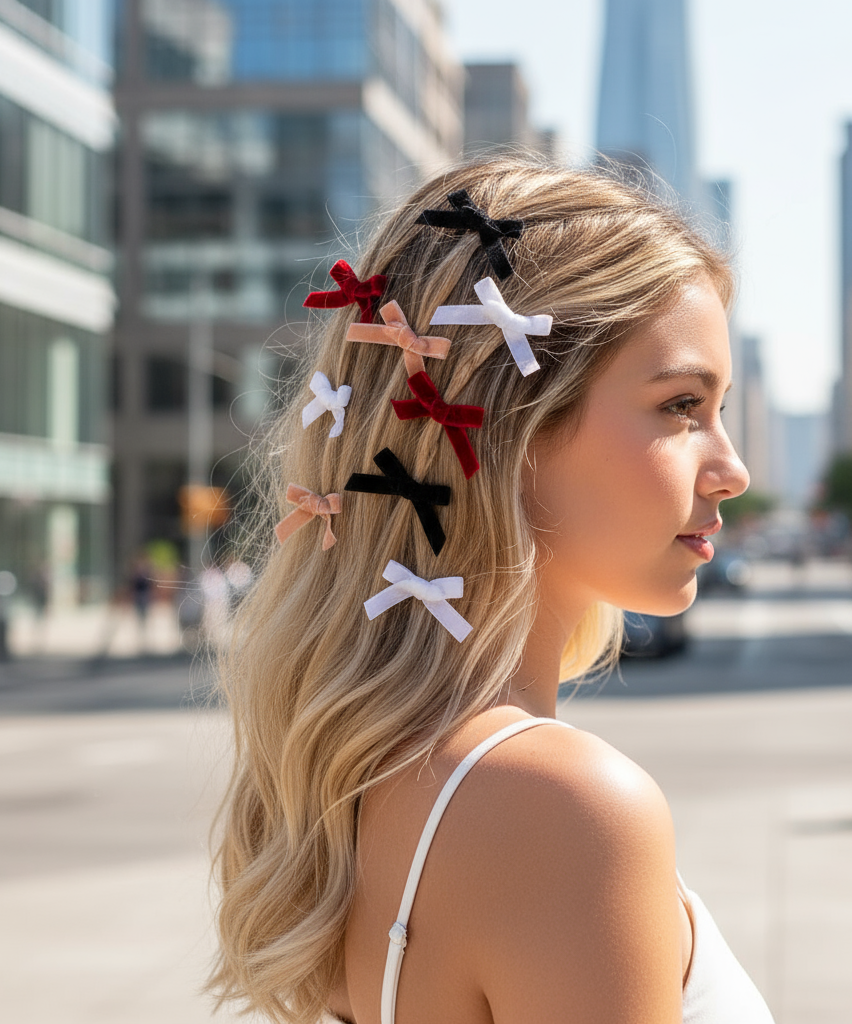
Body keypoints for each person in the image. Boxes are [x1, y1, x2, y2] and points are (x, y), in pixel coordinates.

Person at [208, 158, 771, 1024]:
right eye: (680, 406)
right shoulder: (565, 810)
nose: (731, 469)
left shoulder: (362, 777)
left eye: (721, 407)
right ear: (510, 427)